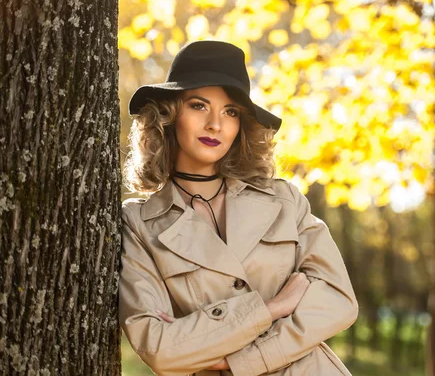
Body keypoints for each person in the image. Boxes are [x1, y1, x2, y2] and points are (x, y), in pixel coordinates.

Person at [119, 40, 359, 376]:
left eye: (230, 111)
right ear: (168, 115)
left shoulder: (284, 200)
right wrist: (272, 308)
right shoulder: (139, 223)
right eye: (199, 106)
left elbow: (337, 302)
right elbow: (160, 348)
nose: (216, 124)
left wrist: (232, 360)